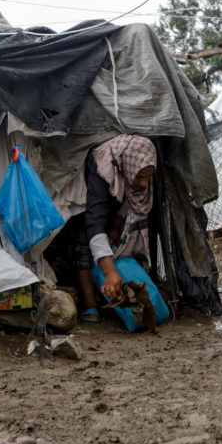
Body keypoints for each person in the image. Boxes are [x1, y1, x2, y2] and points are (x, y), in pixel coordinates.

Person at [76, 134, 157, 323]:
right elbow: (94, 221)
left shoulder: (137, 163)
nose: (144, 183)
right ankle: (90, 305)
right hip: (88, 207)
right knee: (83, 248)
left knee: (117, 249)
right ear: (127, 167)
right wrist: (110, 272)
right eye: (140, 177)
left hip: (115, 207)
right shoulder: (100, 167)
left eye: (148, 177)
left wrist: (116, 224)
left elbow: (131, 199)